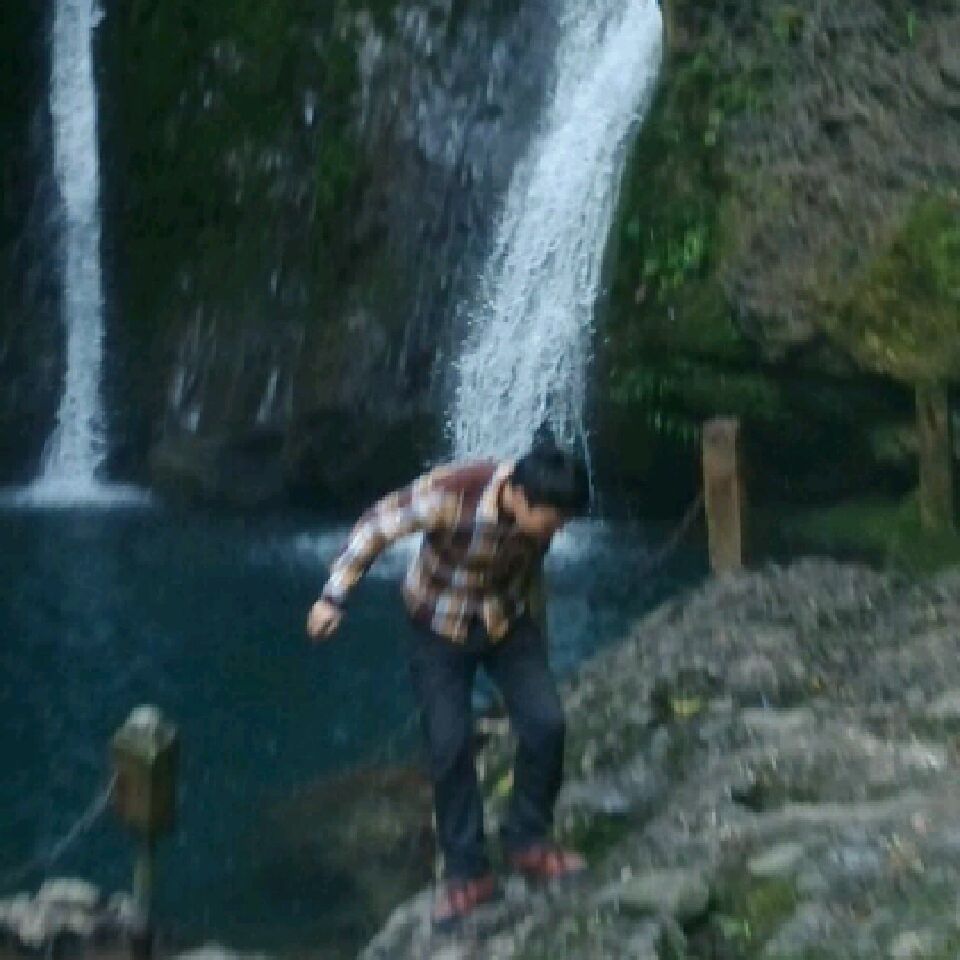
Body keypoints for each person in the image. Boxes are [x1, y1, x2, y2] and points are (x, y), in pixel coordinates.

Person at [306, 428, 590, 927]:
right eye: (552, 522)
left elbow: (533, 578)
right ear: (519, 497)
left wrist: (538, 638)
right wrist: (333, 597)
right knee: (449, 744)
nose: (556, 532)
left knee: (546, 724)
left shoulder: (540, 514)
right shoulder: (452, 493)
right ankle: (467, 873)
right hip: (437, 627)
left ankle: (527, 840)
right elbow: (376, 526)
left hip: (505, 622)